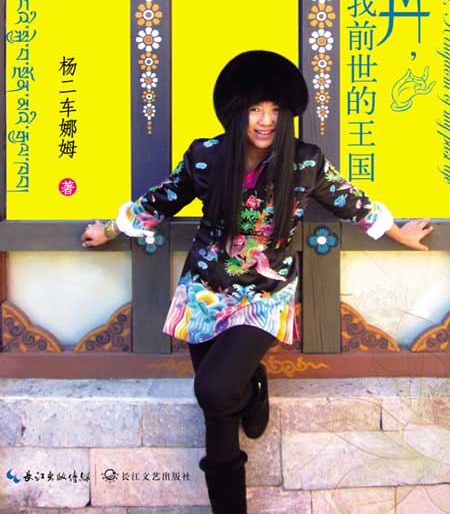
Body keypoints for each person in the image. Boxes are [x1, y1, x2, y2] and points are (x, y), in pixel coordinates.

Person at [81, 51, 433, 514]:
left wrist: (400, 233)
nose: (265, 121)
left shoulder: (305, 162)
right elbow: (161, 199)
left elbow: (353, 202)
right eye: (254, 109)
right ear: (237, 111)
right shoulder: (205, 156)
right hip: (206, 287)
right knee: (219, 404)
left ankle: (249, 387)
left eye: (274, 110)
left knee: (212, 388)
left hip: (266, 291)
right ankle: (236, 474)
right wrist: (109, 230)